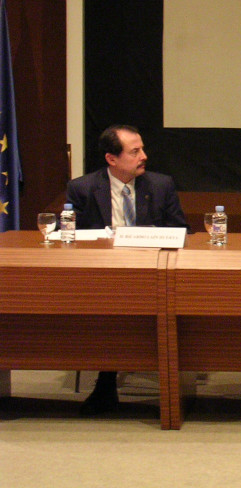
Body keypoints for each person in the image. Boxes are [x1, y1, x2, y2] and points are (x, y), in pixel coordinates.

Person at [67, 124, 189, 415]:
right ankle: (106, 382)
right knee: (110, 306)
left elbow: (182, 231)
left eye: (142, 149)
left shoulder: (160, 185)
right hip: (103, 276)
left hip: (153, 271)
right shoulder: (82, 188)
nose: (144, 156)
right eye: (135, 152)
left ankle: (152, 381)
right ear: (112, 159)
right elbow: (70, 237)